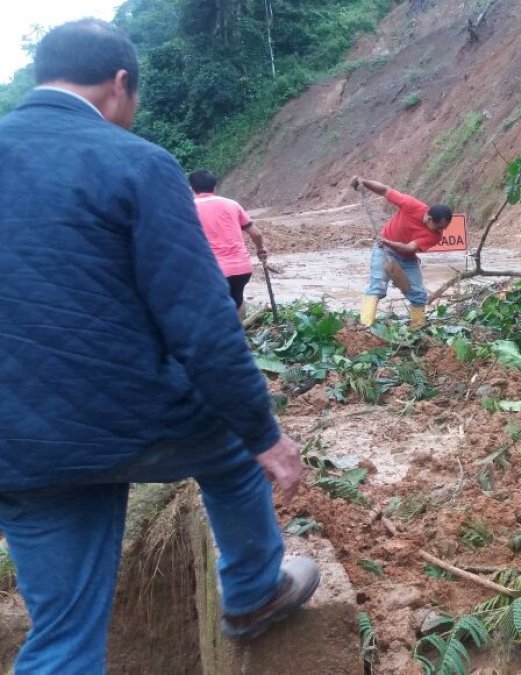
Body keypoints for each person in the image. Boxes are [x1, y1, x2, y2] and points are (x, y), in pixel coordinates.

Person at [0, 20, 317, 672]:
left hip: (16, 441)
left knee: (62, 634)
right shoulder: (137, 163)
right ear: (120, 84)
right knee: (232, 443)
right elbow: (202, 327)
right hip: (124, 416)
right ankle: (255, 591)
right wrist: (265, 432)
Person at [350, 176, 453, 328]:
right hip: (383, 249)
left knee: (418, 295)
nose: (441, 231)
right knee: (377, 286)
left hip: (405, 256)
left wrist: (387, 241)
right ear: (429, 218)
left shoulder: (435, 236)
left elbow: (409, 248)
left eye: (444, 228)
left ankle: (417, 327)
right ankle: (365, 326)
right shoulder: (411, 205)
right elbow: (385, 190)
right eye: (439, 227)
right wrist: (364, 182)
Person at [189, 169, 268, 316]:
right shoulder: (233, 204)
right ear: (215, 187)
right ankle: (241, 334)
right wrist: (260, 249)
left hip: (211, 271)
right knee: (237, 300)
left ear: (191, 188)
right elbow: (256, 233)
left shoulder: (188, 208)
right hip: (241, 269)